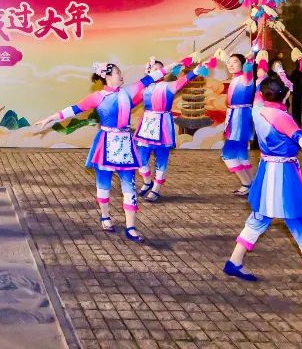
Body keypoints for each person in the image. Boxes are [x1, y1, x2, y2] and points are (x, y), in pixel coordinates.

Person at [222, 72, 302, 302]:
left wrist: (262, 60)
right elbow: (300, 137)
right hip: (283, 176)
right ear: (287, 95)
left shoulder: (257, 108)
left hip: (267, 171)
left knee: (259, 217)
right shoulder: (280, 116)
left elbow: (259, 84)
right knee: (301, 227)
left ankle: (235, 261)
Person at [34, 58, 168, 242]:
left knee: (129, 186)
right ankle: (105, 216)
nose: (121, 76)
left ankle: (131, 227)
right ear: (108, 77)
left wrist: (181, 64)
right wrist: (50, 118)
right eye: (118, 73)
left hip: (125, 145)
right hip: (105, 145)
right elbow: (74, 109)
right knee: (103, 184)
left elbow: (152, 78)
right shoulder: (98, 97)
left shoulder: (128, 91)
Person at [135, 56, 213, 202]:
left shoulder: (168, 86)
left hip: (163, 126)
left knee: (161, 158)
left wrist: (195, 71)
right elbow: (129, 103)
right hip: (146, 126)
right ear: (148, 71)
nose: (159, 71)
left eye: (161, 69)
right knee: (141, 157)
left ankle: (156, 189)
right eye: (155, 69)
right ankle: (147, 181)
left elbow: (183, 81)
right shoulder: (143, 89)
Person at [221, 52, 257, 195]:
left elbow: (249, 67)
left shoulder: (246, 77)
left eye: (235, 62)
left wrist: (251, 57)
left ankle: (247, 183)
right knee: (241, 153)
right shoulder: (236, 78)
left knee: (227, 154)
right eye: (229, 62)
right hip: (235, 116)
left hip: (240, 118)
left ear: (243, 64)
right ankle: (252, 184)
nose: (230, 65)